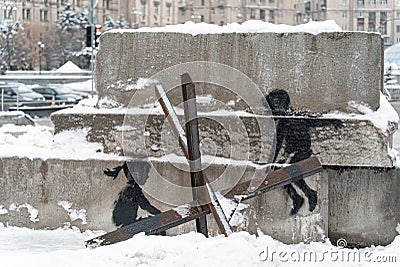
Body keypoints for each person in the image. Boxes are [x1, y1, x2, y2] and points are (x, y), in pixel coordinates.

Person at [265, 89, 341, 215]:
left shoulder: (298, 117)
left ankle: (307, 194)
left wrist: (333, 121)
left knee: (291, 171)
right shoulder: (284, 122)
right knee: (280, 172)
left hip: (303, 153)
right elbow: (277, 144)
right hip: (292, 154)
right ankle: (298, 197)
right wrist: (271, 163)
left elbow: (317, 122)